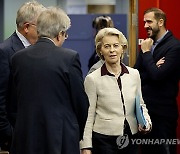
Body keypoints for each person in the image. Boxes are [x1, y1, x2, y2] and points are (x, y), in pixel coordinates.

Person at [10, 7, 89, 154]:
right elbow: (80, 102)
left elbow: (14, 100)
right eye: (65, 35)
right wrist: (75, 131)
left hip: (25, 138)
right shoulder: (69, 58)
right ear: (60, 34)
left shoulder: (17, 58)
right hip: (60, 139)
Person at [80, 27, 152, 154]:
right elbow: (88, 115)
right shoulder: (92, 79)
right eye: (107, 46)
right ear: (100, 51)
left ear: (122, 48)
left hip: (131, 136)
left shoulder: (134, 74)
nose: (112, 50)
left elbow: (140, 104)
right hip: (104, 140)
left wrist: (146, 122)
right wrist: (86, 146)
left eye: (116, 45)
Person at [0, 1, 45, 151]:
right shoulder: (5, 52)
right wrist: (8, 134)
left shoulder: (41, 50)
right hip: (17, 136)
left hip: (39, 133)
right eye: (41, 26)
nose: (46, 30)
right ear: (26, 27)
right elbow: (0, 98)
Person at [134, 8, 180, 154]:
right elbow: (135, 75)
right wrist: (153, 66)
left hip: (163, 115)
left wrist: (147, 54)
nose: (145, 25)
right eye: (144, 22)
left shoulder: (174, 46)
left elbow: (158, 76)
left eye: (149, 21)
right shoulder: (148, 43)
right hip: (145, 114)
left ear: (161, 22)